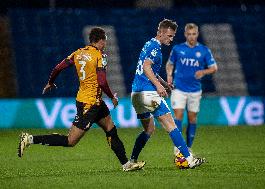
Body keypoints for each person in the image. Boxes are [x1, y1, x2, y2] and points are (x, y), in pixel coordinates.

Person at [18, 27, 145, 172]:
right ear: (101, 40)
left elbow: (58, 67)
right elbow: (102, 81)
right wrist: (112, 97)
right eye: (105, 41)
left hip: (92, 101)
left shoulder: (78, 53)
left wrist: (51, 82)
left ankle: (126, 164)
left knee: (111, 129)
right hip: (89, 104)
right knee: (70, 141)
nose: (105, 44)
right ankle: (30, 139)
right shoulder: (99, 55)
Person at [130, 19, 204, 169]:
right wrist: (158, 86)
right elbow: (146, 67)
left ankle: (132, 161)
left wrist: (165, 84)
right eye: (169, 36)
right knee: (171, 124)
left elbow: (152, 71)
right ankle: (189, 159)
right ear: (160, 33)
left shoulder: (148, 44)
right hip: (147, 92)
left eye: (173, 36)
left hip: (136, 94)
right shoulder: (155, 47)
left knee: (149, 129)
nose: (171, 39)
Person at [166, 23, 218, 156]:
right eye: (189, 34)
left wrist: (203, 72)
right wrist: (169, 75)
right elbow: (170, 64)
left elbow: (214, 68)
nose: (191, 36)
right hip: (179, 88)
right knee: (178, 116)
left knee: (192, 119)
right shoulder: (178, 49)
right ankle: (178, 147)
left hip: (195, 90)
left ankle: (188, 147)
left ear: (197, 34)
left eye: (194, 34)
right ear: (185, 35)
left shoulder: (204, 50)